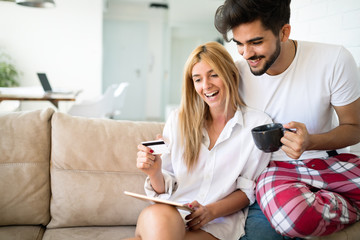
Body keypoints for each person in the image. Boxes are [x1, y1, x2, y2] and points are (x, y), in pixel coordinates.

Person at [214, 0, 360, 239]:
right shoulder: (237, 74)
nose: (246, 54)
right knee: (293, 218)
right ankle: (338, 204)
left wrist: (310, 142)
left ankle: (327, 201)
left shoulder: (334, 59)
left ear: (284, 32)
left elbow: (355, 128)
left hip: (325, 163)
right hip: (271, 172)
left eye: (256, 42)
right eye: (239, 44)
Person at [127, 41, 273, 240]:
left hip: (215, 224)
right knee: (161, 223)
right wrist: (154, 172)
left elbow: (247, 191)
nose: (206, 86)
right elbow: (164, 187)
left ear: (230, 74)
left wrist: (211, 211)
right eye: (198, 79)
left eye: (214, 75)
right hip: (169, 215)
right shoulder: (178, 119)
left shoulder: (256, 125)